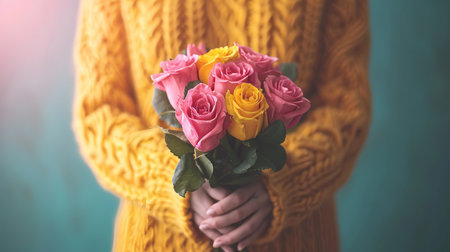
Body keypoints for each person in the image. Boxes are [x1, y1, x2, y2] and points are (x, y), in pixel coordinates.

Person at [72, 0, 371, 251]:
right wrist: (177, 181)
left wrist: (284, 182)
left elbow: (346, 107)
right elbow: (98, 113)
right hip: (157, 238)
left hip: (296, 237)